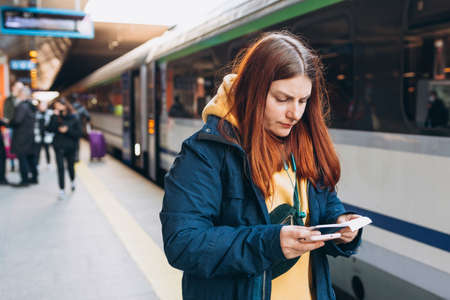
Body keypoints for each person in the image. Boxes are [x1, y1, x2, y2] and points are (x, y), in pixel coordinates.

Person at [160, 32, 362, 300]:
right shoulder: (206, 152)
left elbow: (324, 201)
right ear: (253, 91)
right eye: (282, 99)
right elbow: (183, 243)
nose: (295, 113)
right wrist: (270, 243)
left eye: (303, 101)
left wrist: (338, 224)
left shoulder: (304, 142)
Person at [47, 98, 81, 199]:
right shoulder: (55, 117)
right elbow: (49, 129)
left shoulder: (74, 117)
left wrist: (67, 130)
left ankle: (72, 181)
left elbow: (78, 134)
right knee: (60, 168)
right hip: (58, 146)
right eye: (56, 106)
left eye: (59, 105)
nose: (57, 108)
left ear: (65, 105)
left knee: (70, 166)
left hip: (71, 147)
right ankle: (61, 189)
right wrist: (54, 116)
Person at [8, 86, 38, 187]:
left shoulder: (22, 106)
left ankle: (24, 180)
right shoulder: (31, 105)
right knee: (30, 158)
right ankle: (34, 177)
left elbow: (17, 120)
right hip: (29, 136)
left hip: (22, 137)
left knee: (22, 158)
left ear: (22, 95)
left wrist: (9, 122)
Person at [70, 93, 90, 162]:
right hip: (79, 128)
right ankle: (76, 157)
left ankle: (71, 157)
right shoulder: (82, 107)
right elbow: (88, 117)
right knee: (77, 143)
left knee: (71, 142)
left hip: (70, 128)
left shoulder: (69, 107)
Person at [35, 102, 54, 168]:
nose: (42, 107)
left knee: (47, 151)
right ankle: (37, 164)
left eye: (44, 105)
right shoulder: (36, 114)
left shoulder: (50, 113)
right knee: (37, 151)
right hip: (38, 135)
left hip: (47, 135)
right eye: (41, 106)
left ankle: (48, 163)